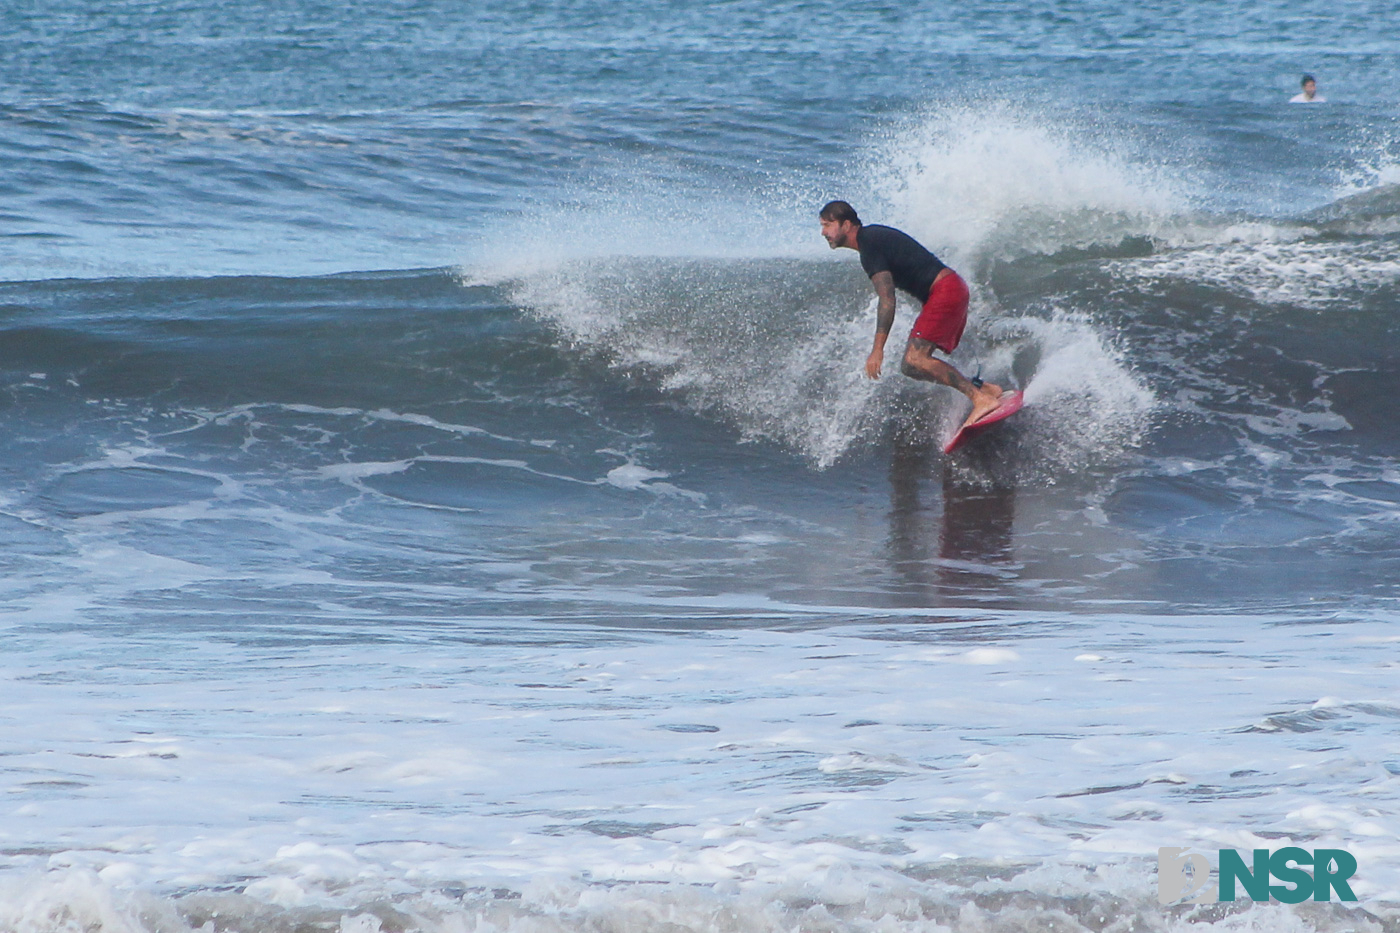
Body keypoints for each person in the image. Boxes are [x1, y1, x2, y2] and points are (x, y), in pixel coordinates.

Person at [819, 200, 1003, 430]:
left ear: (846, 225)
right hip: (949, 289)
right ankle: (984, 389)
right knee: (911, 366)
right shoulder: (872, 238)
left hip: (946, 291)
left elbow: (887, 299)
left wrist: (877, 350)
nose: (823, 232)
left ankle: (980, 400)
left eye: (827, 225)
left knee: (916, 358)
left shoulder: (869, 245)